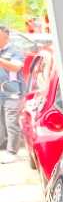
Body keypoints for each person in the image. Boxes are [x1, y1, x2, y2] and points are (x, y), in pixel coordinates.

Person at [0, 25, 25, 163]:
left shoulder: (15, 51)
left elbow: (15, 67)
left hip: (12, 93)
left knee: (11, 123)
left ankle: (12, 152)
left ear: (5, 37)